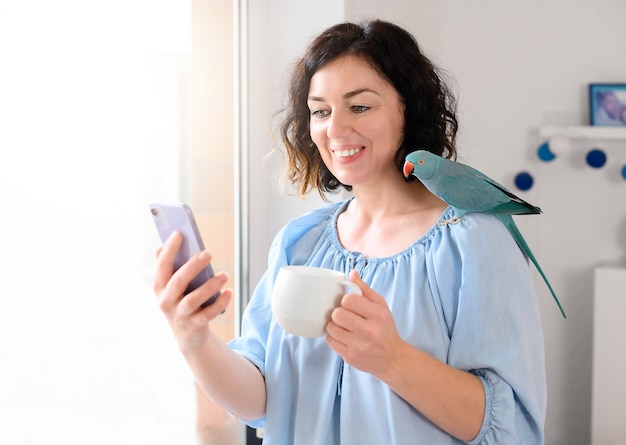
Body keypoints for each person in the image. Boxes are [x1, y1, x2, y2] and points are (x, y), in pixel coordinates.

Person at [153, 19, 546, 444]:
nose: (335, 129)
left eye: (360, 106)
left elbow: (509, 427)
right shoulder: (298, 243)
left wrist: (392, 359)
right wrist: (194, 340)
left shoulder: (473, 241)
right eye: (320, 111)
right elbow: (259, 399)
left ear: (407, 110)